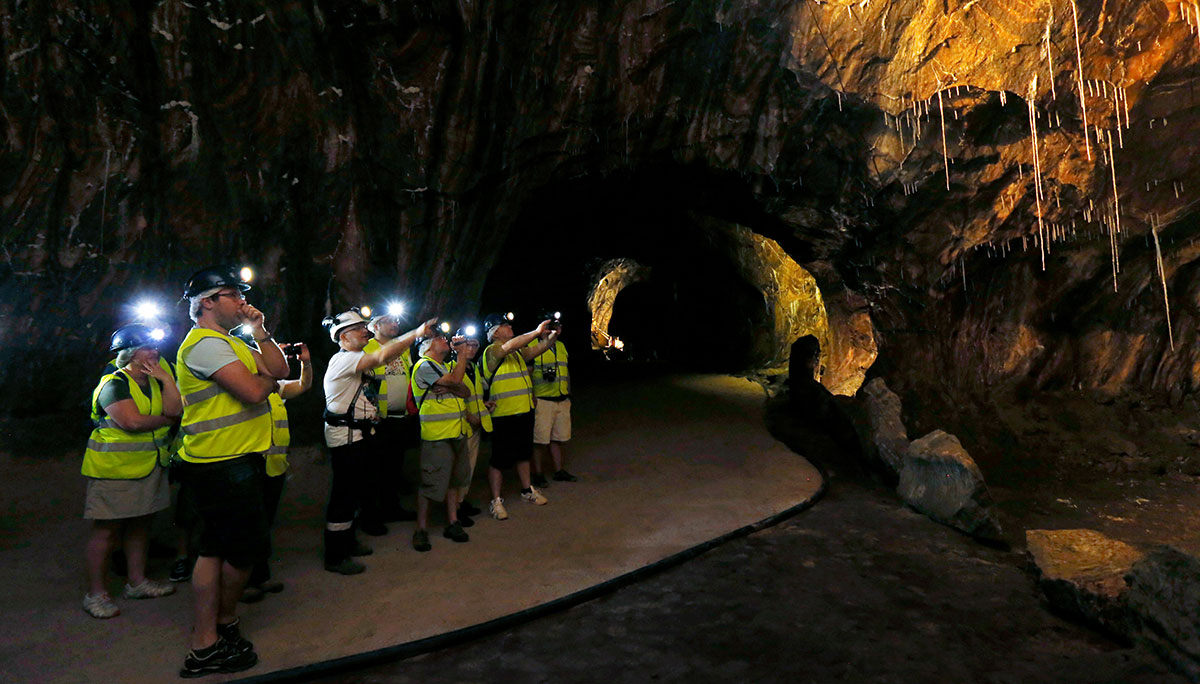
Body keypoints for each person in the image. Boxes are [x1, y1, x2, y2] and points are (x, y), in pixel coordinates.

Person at [174, 265, 289, 678]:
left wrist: (259, 330)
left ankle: (212, 634)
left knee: (215, 548)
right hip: (222, 463)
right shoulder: (205, 345)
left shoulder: (228, 341)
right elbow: (258, 389)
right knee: (240, 551)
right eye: (232, 294)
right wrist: (265, 380)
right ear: (207, 302)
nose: (242, 301)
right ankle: (212, 635)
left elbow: (279, 370)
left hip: (233, 460)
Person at [321, 309, 434, 574]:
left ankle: (346, 543)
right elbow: (383, 355)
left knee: (352, 494)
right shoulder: (344, 359)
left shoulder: (354, 357)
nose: (365, 331)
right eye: (359, 328)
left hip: (357, 435)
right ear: (343, 336)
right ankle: (335, 556)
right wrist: (416, 333)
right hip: (346, 438)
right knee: (343, 496)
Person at [82, 324, 181, 619]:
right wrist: (165, 419)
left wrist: (166, 379)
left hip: (146, 466)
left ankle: (136, 583)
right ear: (130, 354)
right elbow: (132, 422)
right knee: (106, 532)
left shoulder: (153, 381)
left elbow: (175, 410)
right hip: (114, 470)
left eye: (154, 347)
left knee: (140, 526)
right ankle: (95, 594)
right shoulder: (114, 383)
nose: (155, 352)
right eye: (147, 348)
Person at [240, 341, 312, 603]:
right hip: (250, 464)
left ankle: (259, 575)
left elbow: (303, 386)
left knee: (263, 524)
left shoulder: (273, 388)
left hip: (274, 466)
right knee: (247, 526)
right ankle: (243, 582)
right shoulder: (246, 388)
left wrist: (305, 362)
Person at [479, 313, 557, 520]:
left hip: (523, 411)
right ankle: (496, 500)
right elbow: (508, 348)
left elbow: (539, 348)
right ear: (494, 332)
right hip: (503, 414)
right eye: (504, 325)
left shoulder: (517, 352)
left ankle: (526, 490)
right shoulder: (492, 351)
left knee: (524, 454)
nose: (509, 326)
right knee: (499, 459)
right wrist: (536, 332)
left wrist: (553, 335)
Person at [409, 333, 474, 551]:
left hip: (455, 432)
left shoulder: (444, 367)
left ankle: (452, 522)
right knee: (430, 483)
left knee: (455, 481)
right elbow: (457, 382)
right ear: (427, 346)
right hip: (437, 435)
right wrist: (462, 353)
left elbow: (464, 391)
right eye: (439, 338)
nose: (446, 339)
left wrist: (451, 386)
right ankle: (421, 529)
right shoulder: (424, 365)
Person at [364, 313, 418, 522]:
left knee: (395, 466)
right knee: (375, 468)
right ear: (375, 326)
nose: (395, 324)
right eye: (389, 321)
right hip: (377, 419)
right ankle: (373, 514)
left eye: (396, 321)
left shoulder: (401, 346)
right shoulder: (367, 348)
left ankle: (391, 507)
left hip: (400, 418)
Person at [528, 312, 576, 486]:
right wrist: (531, 396)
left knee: (558, 438)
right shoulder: (532, 346)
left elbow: (566, 370)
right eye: (550, 326)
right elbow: (527, 374)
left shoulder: (561, 346)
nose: (554, 330)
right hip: (542, 399)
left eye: (557, 326)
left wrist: (568, 392)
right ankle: (538, 474)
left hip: (561, 399)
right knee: (539, 440)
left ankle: (558, 470)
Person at [451, 326, 491, 523]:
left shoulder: (473, 368)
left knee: (470, 467)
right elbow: (453, 399)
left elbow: (474, 395)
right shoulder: (452, 367)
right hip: (462, 426)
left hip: (476, 426)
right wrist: (469, 416)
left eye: (475, 345)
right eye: (468, 344)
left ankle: (462, 500)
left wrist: (483, 405)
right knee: (459, 468)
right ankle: (455, 508)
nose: (473, 348)